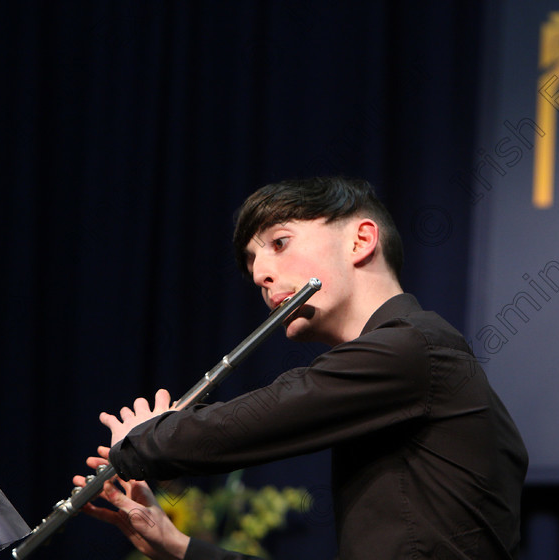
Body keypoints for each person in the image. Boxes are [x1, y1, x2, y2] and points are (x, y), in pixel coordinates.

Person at [77, 177, 528, 559]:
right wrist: (179, 545)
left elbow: (262, 414)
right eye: (252, 261)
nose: (259, 275)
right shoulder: (403, 365)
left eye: (279, 243)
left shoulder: (413, 348)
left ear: (361, 241)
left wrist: (148, 438)